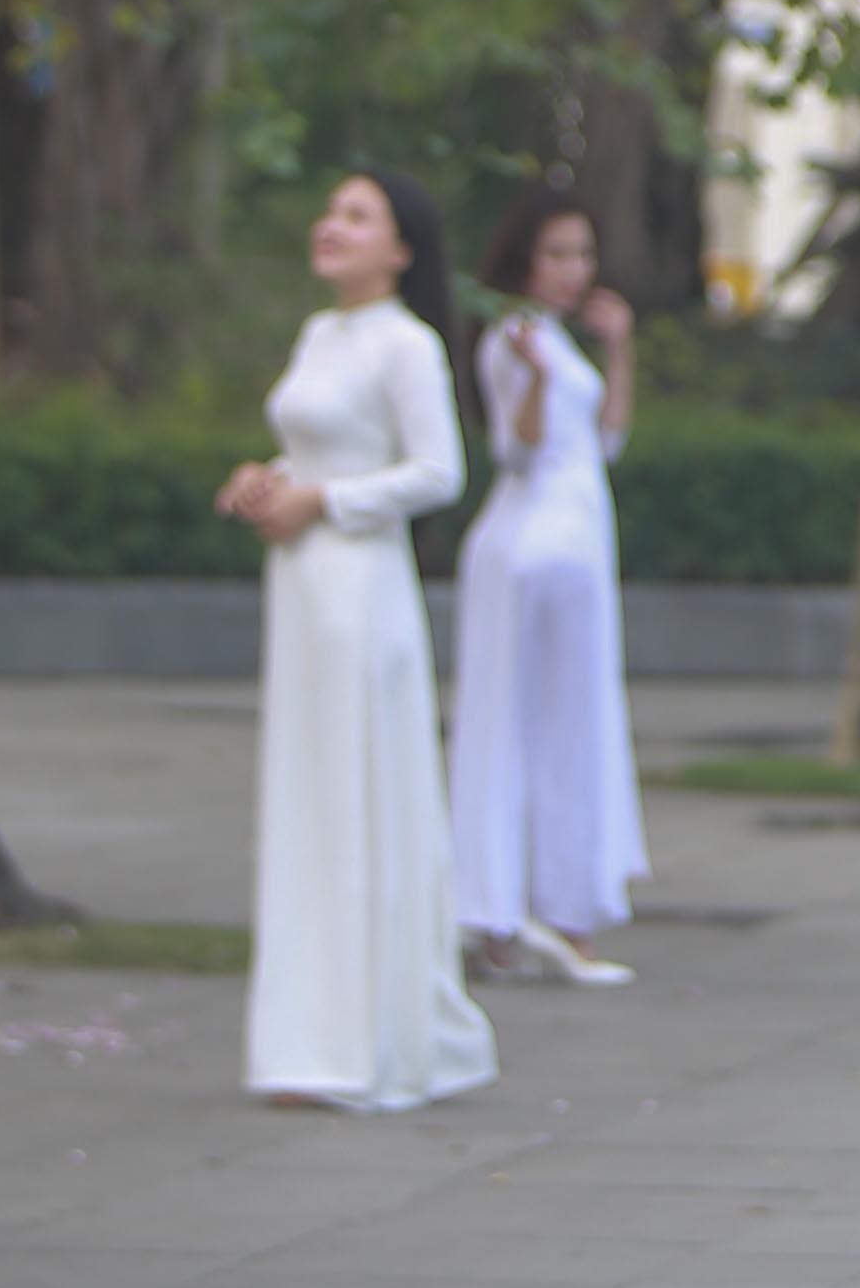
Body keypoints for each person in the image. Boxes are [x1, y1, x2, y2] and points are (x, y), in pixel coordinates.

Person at [219, 170, 498, 1113]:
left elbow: (438, 471)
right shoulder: (318, 334)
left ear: (402, 250)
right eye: (331, 210)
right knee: (305, 794)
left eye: (357, 216)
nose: (331, 227)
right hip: (297, 582)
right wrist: (265, 481)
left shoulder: (407, 344)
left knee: (355, 789)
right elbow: (312, 447)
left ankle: (368, 1038)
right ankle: (305, 1036)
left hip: (358, 587)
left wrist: (326, 500)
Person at [452, 191, 648, 984]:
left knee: (577, 720)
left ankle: (564, 910)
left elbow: (607, 441)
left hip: (578, 546)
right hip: (527, 545)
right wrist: (531, 379)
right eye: (558, 254)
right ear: (525, 258)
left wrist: (621, 351)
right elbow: (517, 448)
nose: (573, 270)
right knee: (509, 725)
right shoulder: (513, 339)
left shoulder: (564, 343)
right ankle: (499, 912)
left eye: (582, 255)